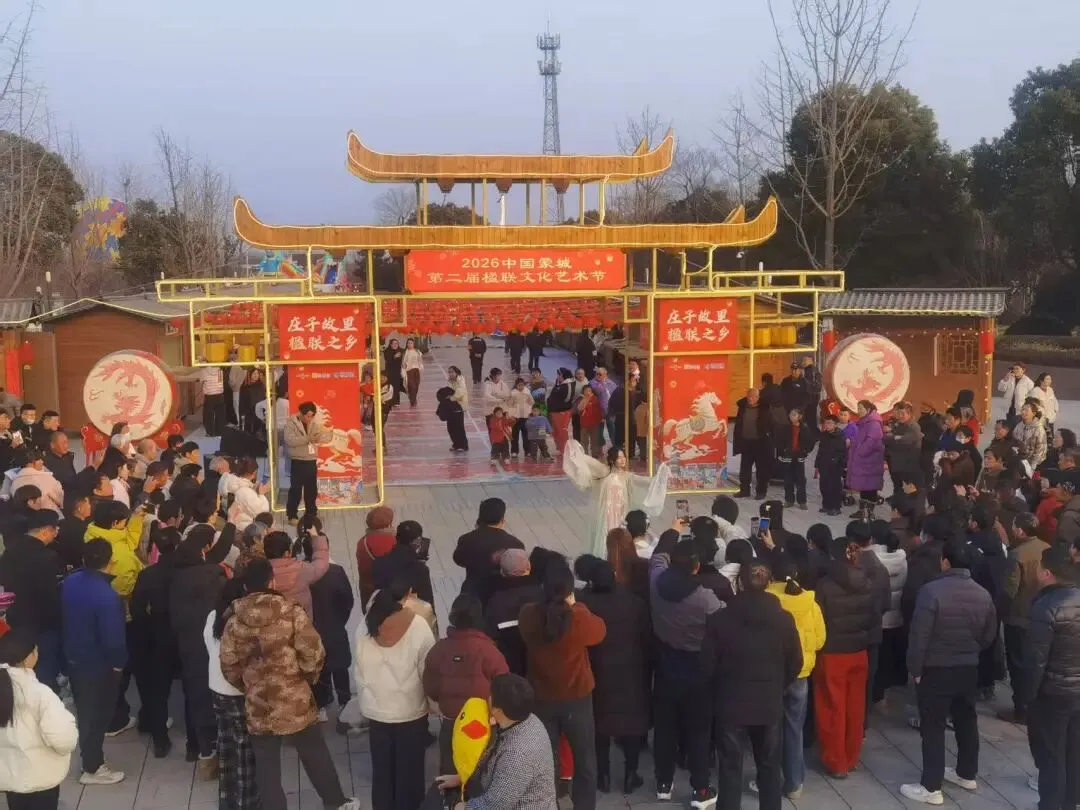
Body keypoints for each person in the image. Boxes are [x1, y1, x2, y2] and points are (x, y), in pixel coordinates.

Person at [220, 559, 359, 810]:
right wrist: (306, 678)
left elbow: (229, 666)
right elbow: (313, 654)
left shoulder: (233, 621)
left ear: (245, 586)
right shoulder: (291, 612)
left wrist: (250, 686)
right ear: (272, 581)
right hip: (295, 699)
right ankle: (336, 803)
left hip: (259, 704)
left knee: (266, 767)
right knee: (314, 752)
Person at [901, 539, 997, 805]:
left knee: (933, 726)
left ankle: (931, 787)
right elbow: (989, 635)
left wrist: (915, 668)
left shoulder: (931, 592)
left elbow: (919, 636)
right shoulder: (983, 594)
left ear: (945, 562)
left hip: (936, 668)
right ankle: (966, 773)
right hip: (968, 667)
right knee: (966, 720)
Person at [703, 559, 802, 810]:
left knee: (729, 767)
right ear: (769, 583)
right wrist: (778, 686)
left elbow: (707, 665)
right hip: (768, 703)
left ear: (739, 583)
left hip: (730, 704)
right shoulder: (784, 619)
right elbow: (796, 663)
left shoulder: (720, 619)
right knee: (769, 768)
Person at [519, 562, 606, 810]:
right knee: (585, 760)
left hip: (542, 696)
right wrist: (577, 605)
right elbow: (600, 631)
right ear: (570, 590)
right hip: (576, 697)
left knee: (547, 760)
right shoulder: (578, 617)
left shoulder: (528, 614)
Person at [649, 527, 722, 804]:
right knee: (698, 732)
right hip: (697, 669)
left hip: (665, 664)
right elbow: (722, 619)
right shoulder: (705, 597)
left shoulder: (656, 582)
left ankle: (663, 783)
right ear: (696, 567)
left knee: (665, 727)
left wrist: (673, 530)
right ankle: (700, 789)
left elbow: (657, 557)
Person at [574, 555, 651, 795]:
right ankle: (630, 774)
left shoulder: (584, 604)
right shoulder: (634, 602)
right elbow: (647, 638)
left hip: (597, 671)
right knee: (631, 724)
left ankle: (603, 775)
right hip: (631, 672)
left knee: (599, 725)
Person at [354, 585, 435, 810]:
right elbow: (428, 670)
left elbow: (359, 668)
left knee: (382, 770)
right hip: (411, 710)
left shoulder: (364, 627)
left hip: (376, 710)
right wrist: (432, 702)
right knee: (410, 770)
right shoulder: (418, 626)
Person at [434, 673, 557, 809]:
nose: (487, 698)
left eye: (490, 695)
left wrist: (460, 807)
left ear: (498, 710)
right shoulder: (526, 718)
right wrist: (463, 778)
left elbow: (496, 804)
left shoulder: (517, 754)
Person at [60, 538, 126, 785]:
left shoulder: (70, 582)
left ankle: (92, 759)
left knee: (86, 714)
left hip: (75, 658)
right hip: (99, 666)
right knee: (97, 717)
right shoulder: (107, 597)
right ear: (110, 561)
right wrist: (118, 664)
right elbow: (114, 640)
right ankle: (93, 767)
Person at [814, 538, 878, 779]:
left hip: (832, 653)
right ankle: (852, 756)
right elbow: (873, 616)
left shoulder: (825, 585)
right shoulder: (867, 581)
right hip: (859, 651)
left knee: (833, 706)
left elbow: (819, 620)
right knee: (855, 706)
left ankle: (836, 760)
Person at [423, 593, 509, 772]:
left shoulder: (438, 649)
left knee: (449, 775)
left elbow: (430, 687)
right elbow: (504, 687)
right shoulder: (489, 651)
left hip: (450, 722)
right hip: (481, 724)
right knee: (482, 774)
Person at [1023, 544, 1080, 810]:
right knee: (1073, 750)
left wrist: (1028, 696)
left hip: (1054, 691)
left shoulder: (1045, 606)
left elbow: (1036, 660)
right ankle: (1070, 802)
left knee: (1052, 755)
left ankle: (1050, 804)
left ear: (1047, 573)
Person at [171, 525, 230, 775]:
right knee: (221, 699)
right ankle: (225, 755)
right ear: (203, 550)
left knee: (196, 697)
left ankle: (204, 753)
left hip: (188, 646)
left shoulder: (176, 579)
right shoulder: (214, 574)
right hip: (214, 645)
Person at [766, 556, 826, 799]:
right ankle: (794, 782)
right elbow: (820, 640)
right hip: (801, 675)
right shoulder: (811, 603)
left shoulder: (768, 600)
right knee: (794, 728)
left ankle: (767, 779)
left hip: (772, 675)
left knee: (770, 729)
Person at [0, 628, 78, 810]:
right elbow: (63, 739)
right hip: (40, 778)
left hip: (10, 778)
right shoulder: (40, 694)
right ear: (28, 658)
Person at [563, 443, 670, 558]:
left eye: (624, 457)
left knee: (619, 537)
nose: (623, 460)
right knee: (605, 536)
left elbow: (646, 481)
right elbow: (587, 461)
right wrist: (574, 450)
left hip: (620, 515)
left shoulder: (627, 476)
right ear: (611, 460)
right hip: (606, 515)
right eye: (619, 458)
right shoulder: (603, 471)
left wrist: (660, 477)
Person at [206, 578, 259, 810]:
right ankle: (246, 802)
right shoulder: (241, 623)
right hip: (237, 691)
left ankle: (227, 800)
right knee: (244, 750)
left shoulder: (212, 617)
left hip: (216, 688)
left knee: (226, 746)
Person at [129, 526, 181, 759]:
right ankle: (197, 744)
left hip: (157, 637)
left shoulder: (148, 574)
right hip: (183, 635)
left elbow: (136, 609)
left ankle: (160, 740)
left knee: (158, 692)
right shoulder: (185, 572)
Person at [0, 511, 64, 691]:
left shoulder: (10, 551)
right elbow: (51, 595)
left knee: (20, 668)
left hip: (15, 618)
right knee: (45, 669)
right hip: (42, 623)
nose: (56, 534)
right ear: (45, 530)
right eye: (55, 530)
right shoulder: (48, 557)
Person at [1001, 512, 1051, 725]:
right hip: (1042, 614)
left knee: (1017, 664)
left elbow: (1010, 589)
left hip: (1019, 617)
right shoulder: (1047, 548)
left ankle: (1020, 708)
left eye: (1014, 526)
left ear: (1020, 530)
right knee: (1035, 664)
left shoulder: (1017, 554)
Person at [453, 498, 524, 608]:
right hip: (502, 597)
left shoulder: (466, 539)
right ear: (502, 520)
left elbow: (458, 559)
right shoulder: (515, 544)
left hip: (472, 594)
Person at [484, 549, 541, 676]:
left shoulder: (495, 601)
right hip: (540, 666)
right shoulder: (543, 594)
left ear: (502, 572)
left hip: (510, 667)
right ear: (529, 567)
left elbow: (490, 636)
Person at [264, 524, 329, 618]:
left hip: (273, 622)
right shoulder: (301, 568)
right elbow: (321, 565)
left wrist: (271, 540)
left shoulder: (260, 572)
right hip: (301, 621)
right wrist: (316, 538)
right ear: (287, 553)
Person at [283, 401, 331, 525]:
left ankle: (311, 513)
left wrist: (323, 436)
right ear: (301, 413)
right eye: (308, 416)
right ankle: (292, 515)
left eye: (312, 416)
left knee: (311, 489)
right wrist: (308, 439)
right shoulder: (291, 423)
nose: (309, 418)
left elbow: (320, 436)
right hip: (298, 460)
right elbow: (290, 440)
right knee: (296, 489)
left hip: (311, 460)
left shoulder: (314, 423)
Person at [372, 519, 434, 607]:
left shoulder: (378, 563)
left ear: (397, 537)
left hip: (385, 612)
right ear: (417, 541)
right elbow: (427, 600)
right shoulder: (420, 570)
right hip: (409, 613)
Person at [848, 400, 885, 521]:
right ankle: (862, 511)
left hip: (871, 461)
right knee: (863, 485)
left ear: (868, 410)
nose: (858, 411)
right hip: (863, 461)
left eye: (861, 408)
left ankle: (869, 513)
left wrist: (860, 451)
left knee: (870, 487)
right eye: (858, 408)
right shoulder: (863, 422)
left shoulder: (874, 423)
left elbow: (872, 442)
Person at [356, 506, 396, 608]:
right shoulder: (395, 541)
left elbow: (363, 568)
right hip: (393, 594)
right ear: (389, 523)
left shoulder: (362, 542)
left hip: (370, 593)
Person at [733, 387, 770, 499]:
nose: (751, 399)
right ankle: (744, 490)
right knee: (745, 469)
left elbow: (770, 425)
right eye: (749, 396)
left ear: (758, 397)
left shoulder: (764, 408)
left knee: (761, 470)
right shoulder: (743, 407)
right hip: (746, 442)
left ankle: (761, 492)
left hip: (760, 443)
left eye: (754, 397)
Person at [776, 407, 815, 510]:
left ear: (800, 416)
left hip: (799, 457)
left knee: (800, 480)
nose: (791, 416)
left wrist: (805, 451)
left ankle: (802, 501)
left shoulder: (805, 428)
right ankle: (789, 500)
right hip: (787, 456)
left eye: (794, 415)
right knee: (788, 479)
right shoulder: (785, 428)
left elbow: (810, 442)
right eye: (790, 414)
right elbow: (778, 442)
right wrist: (782, 452)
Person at [10, 450, 63, 516]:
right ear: (32, 461)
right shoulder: (46, 478)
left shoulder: (14, 482)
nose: (42, 462)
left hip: (23, 518)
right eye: (38, 459)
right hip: (48, 517)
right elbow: (60, 500)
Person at [817, 413, 847, 516]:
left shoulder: (840, 436)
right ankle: (826, 505)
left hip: (835, 466)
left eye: (830, 423)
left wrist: (836, 461)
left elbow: (842, 452)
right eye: (826, 423)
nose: (827, 425)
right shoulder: (824, 435)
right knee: (823, 485)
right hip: (823, 464)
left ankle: (836, 507)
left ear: (835, 424)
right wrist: (817, 463)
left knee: (834, 487)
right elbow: (820, 450)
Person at [546, 368, 576, 455]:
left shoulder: (568, 385)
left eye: (559, 375)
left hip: (562, 412)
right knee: (555, 431)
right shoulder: (559, 384)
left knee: (562, 431)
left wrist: (559, 406)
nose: (557, 376)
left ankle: (564, 449)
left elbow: (568, 399)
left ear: (563, 375)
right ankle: (559, 448)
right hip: (553, 411)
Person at [1014, 401, 1049, 470]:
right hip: (1018, 463)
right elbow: (1014, 442)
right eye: (1022, 409)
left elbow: (1041, 451)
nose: (1023, 412)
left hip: (1033, 466)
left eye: (1026, 410)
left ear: (1034, 413)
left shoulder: (1038, 428)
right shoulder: (1018, 426)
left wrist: (1032, 466)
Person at [999, 362, 1035, 426]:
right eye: (1014, 369)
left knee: (1017, 426)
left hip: (1020, 409)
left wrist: (1026, 404)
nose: (1015, 370)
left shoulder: (1028, 381)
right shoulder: (1010, 378)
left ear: (1023, 370)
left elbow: (1033, 394)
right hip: (1009, 407)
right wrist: (1005, 379)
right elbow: (1001, 388)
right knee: (1008, 426)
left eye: (1017, 369)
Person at [436, 385, 469, 453]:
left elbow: (461, 394)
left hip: (458, 412)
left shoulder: (460, 383)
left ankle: (463, 446)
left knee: (459, 430)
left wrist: (452, 397)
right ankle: (456, 444)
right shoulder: (445, 396)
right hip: (451, 413)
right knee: (451, 430)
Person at [42, 432, 76, 496]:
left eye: (67, 442)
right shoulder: (45, 462)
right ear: (52, 445)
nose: (66, 446)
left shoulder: (69, 457)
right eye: (63, 443)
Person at [507, 377, 533, 457]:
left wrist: (530, 401)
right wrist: (511, 415)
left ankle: (527, 451)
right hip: (516, 417)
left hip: (525, 417)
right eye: (519, 385)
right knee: (514, 435)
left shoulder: (527, 391)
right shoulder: (513, 393)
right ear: (516, 385)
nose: (521, 387)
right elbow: (509, 405)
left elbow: (532, 402)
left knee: (526, 435)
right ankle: (514, 451)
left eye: (522, 385)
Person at [1031, 373, 1059, 439]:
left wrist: (1055, 411)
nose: (1050, 381)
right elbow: (1034, 405)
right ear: (1042, 381)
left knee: (1050, 439)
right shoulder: (1036, 391)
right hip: (1041, 420)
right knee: (1041, 439)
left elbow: (1055, 401)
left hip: (1051, 419)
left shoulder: (1050, 390)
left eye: (1050, 379)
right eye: (1048, 379)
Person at [400, 337, 423, 407]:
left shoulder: (417, 351)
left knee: (416, 386)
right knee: (412, 386)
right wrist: (404, 367)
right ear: (406, 344)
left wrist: (421, 368)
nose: (410, 344)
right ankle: (412, 401)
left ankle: (413, 398)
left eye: (411, 343)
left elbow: (420, 360)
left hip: (417, 370)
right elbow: (403, 363)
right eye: (408, 343)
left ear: (414, 344)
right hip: (409, 371)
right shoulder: (405, 352)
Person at [383, 338, 404, 404]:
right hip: (390, 372)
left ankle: (396, 401)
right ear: (390, 344)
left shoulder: (401, 351)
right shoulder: (387, 351)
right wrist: (394, 357)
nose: (395, 345)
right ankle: (390, 401)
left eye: (396, 343)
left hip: (398, 372)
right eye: (393, 343)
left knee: (397, 386)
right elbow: (387, 360)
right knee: (391, 386)